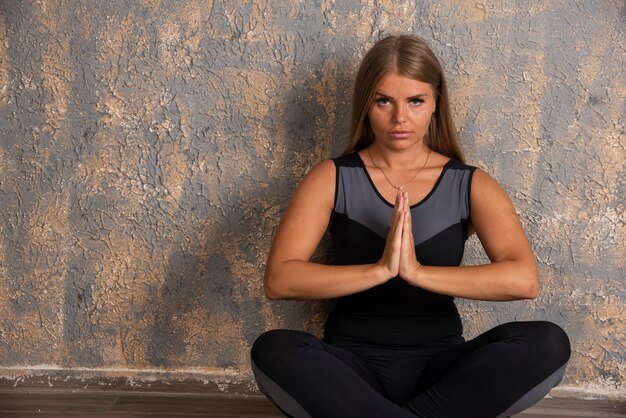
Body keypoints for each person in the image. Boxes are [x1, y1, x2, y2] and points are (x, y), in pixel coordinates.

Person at [250, 34, 571, 418]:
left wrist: (416, 273)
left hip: (442, 373)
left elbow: (523, 280)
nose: (399, 118)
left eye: (415, 101)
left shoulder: (470, 183)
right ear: (366, 104)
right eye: (384, 100)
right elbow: (280, 280)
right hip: (351, 371)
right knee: (274, 349)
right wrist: (380, 270)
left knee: (548, 342)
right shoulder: (331, 177)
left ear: (436, 103)